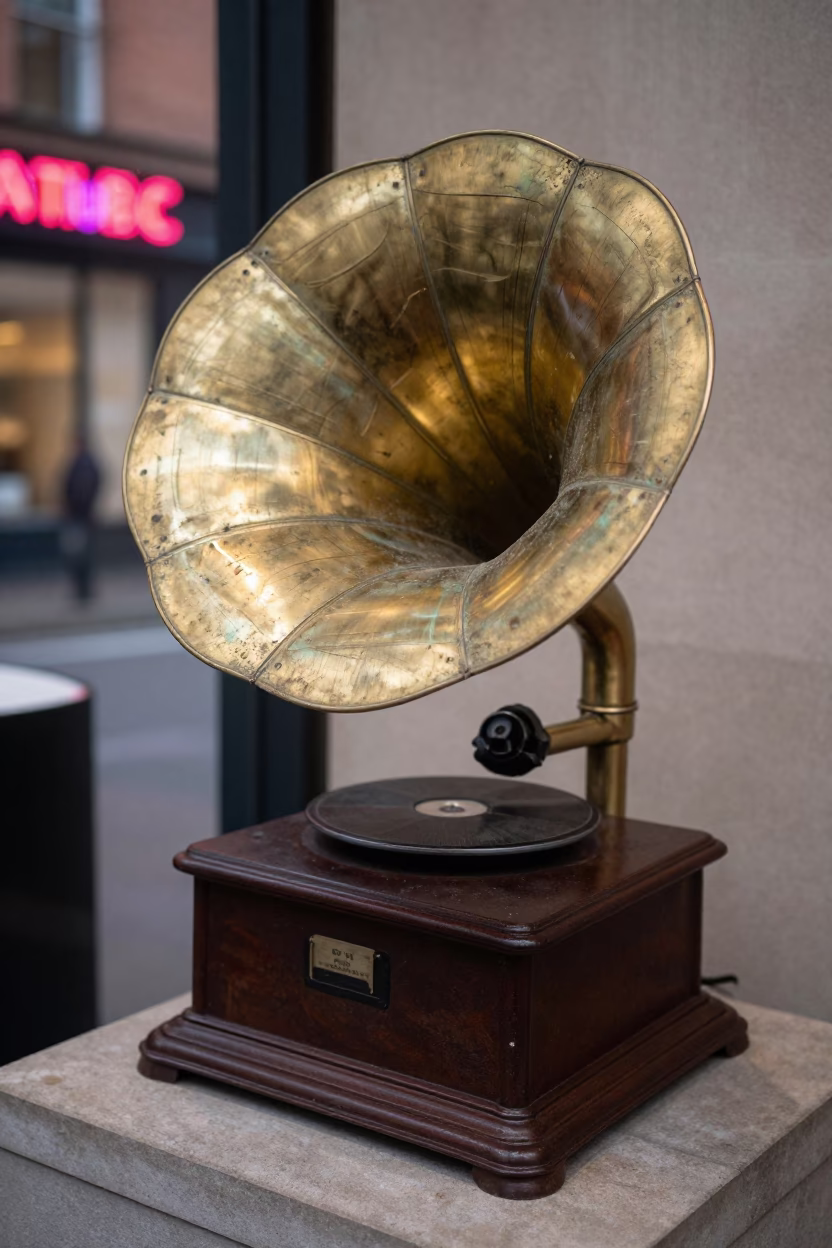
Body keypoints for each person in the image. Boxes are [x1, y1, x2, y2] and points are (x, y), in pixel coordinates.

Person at [61, 437, 101, 601]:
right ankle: (82, 590)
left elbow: (86, 487)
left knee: (80, 554)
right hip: (80, 516)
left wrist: (83, 506)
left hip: (80, 516)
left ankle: (84, 591)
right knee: (79, 554)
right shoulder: (81, 463)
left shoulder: (84, 464)